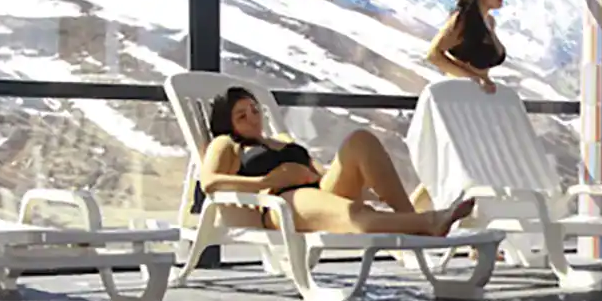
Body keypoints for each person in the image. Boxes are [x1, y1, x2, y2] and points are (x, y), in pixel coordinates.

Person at [198, 86, 473, 237]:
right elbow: (209, 182)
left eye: (255, 110)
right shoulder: (227, 143)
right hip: (282, 202)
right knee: (354, 213)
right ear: (227, 123)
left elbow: (318, 169)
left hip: (317, 188)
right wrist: (266, 181)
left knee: (360, 140)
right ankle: (428, 222)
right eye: (242, 116)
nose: (254, 118)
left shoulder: (278, 138)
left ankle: (413, 221)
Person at [426, 0, 508, 93]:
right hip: (458, 93)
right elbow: (433, 54)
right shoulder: (461, 20)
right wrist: (473, 79)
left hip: (476, 95)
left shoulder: (490, 22)